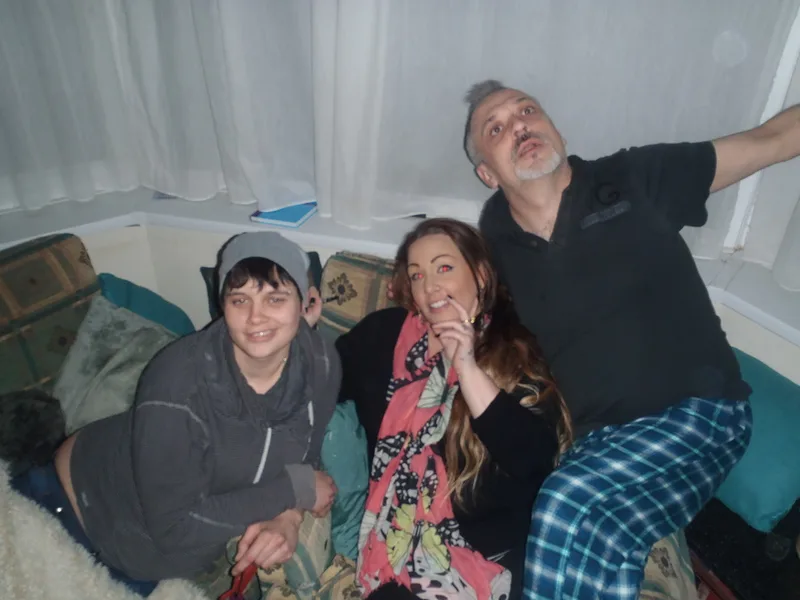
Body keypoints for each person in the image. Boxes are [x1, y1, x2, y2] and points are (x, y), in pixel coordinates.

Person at [461, 79, 800, 599]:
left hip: (701, 416)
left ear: (558, 131)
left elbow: (769, 140)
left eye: (527, 111)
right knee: (586, 545)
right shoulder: (495, 246)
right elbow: (449, 296)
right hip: (599, 446)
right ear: (488, 173)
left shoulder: (632, 178)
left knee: (566, 502)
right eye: (497, 128)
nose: (520, 126)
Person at [12, 231, 341, 595]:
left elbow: (305, 453)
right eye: (239, 299)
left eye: (275, 298)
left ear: (307, 301)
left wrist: (289, 515)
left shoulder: (322, 364)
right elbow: (174, 527)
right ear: (223, 304)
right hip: (66, 515)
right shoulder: (177, 382)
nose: (255, 317)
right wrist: (293, 489)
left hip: (159, 559)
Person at [336, 218, 571, 600]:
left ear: (480, 275)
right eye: (417, 275)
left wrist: (466, 367)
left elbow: (535, 462)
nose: (429, 286)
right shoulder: (385, 335)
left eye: (444, 267)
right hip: (393, 552)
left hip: (485, 560)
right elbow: (322, 382)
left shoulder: (513, 353)